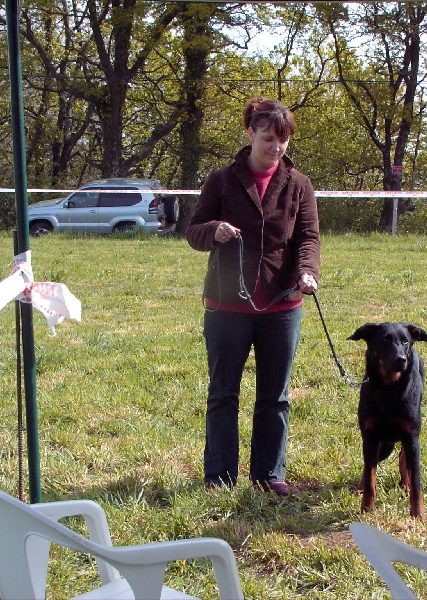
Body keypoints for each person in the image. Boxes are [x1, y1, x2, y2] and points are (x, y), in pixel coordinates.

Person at [186, 96, 320, 496]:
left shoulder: (299, 185)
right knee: (223, 393)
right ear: (250, 134)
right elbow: (193, 232)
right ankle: (220, 479)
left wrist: (307, 272)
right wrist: (215, 230)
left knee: (275, 395)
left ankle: (269, 475)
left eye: (282, 140)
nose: (275, 147)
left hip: (282, 304)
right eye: (267, 139)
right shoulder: (221, 180)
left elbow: (308, 238)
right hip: (227, 305)